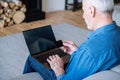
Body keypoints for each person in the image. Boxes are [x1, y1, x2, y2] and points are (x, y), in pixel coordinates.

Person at [23, 0, 120, 80]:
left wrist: (59, 70)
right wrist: (77, 52)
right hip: (89, 66)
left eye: (83, 10)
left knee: (33, 57)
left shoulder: (89, 50)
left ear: (91, 11)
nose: (83, 16)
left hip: (64, 75)